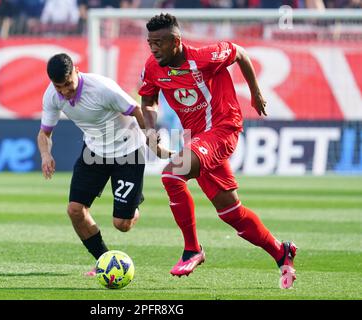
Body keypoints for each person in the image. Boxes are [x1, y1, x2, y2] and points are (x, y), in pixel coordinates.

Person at [139, 13, 297, 289]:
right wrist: (150, 131)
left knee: (171, 176)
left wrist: (256, 92)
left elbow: (241, 53)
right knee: (230, 212)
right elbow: (149, 100)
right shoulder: (153, 66)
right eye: (150, 42)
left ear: (175, 41)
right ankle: (281, 251)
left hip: (223, 129)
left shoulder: (205, 57)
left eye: (159, 43)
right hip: (197, 139)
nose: (153, 48)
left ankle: (192, 250)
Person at [38, 53, 165, 275]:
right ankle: (104, 261)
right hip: (94, 152)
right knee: (75, 210)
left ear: (76, 71)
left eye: (68, 84)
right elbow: (44, 133)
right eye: (60, 88)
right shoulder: (52, 96)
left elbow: (136, 109)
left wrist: (151, 137)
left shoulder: (102, 88)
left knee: (122, 224)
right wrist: (46, 154)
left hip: (128, 151)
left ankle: (133, 203)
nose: (65, 91)